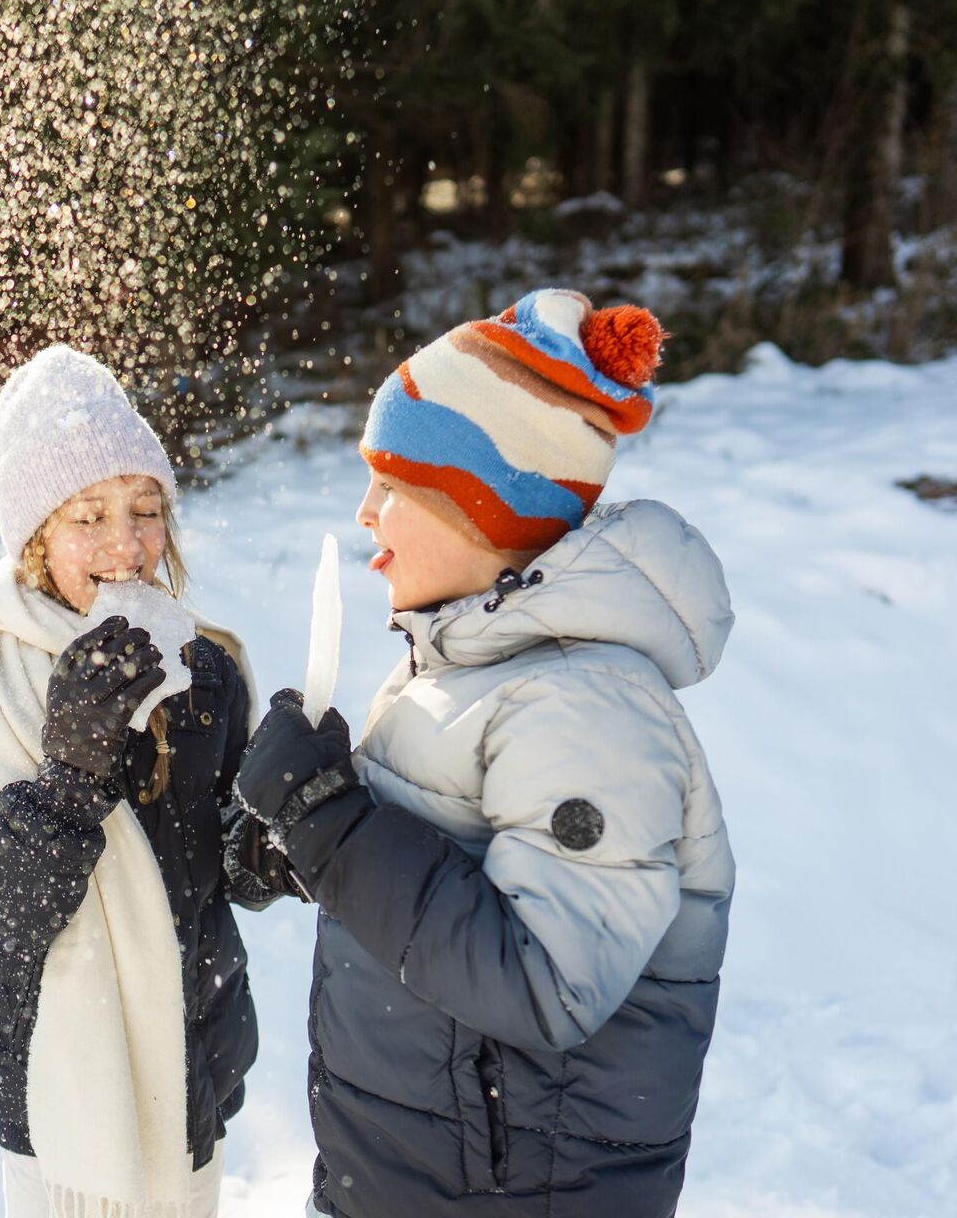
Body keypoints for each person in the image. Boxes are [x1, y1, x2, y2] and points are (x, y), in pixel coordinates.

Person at [230, 289, 736, 1217]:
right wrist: (300, 843)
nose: (365, 512)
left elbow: (545, 981)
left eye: (392, 485)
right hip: (409, 1177)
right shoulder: (464, 666)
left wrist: (332, 826)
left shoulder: (589, 708)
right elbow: (436, 870)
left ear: (483, 511)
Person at [0, 344, 286, 1218]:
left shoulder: (207, 672)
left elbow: (222, 864)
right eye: (89, 517)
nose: (128, 544)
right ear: (34, 537)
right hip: (53, 1110)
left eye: (147, 510)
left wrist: (282, 834)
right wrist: (68, 777)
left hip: (190, 1071)